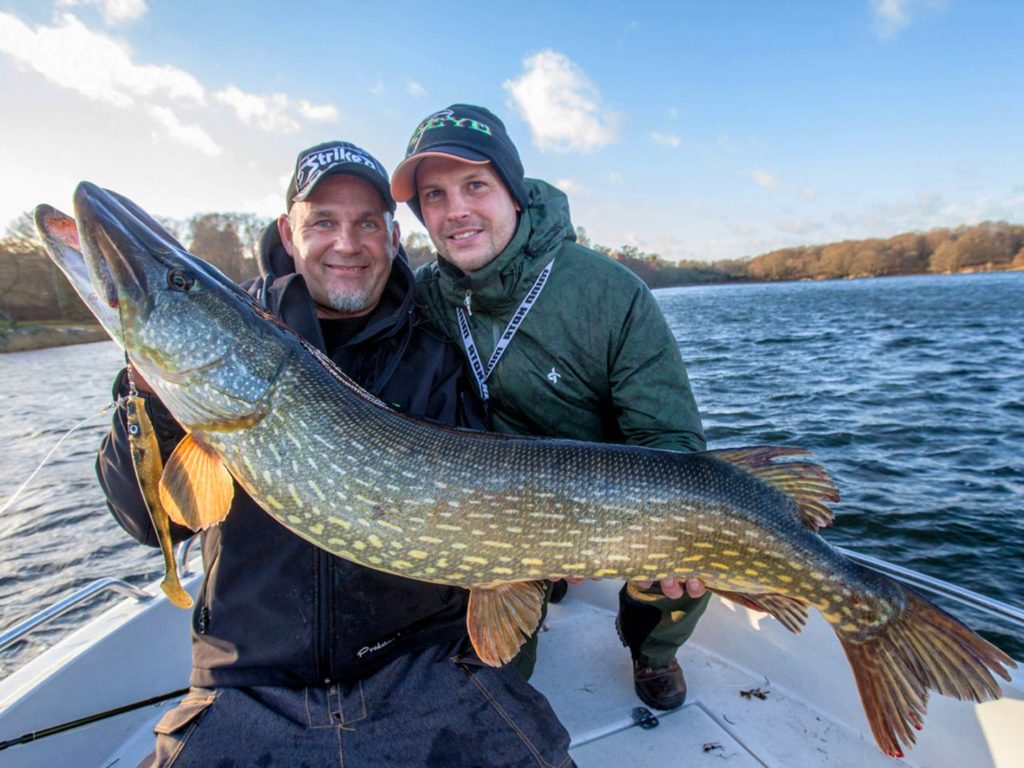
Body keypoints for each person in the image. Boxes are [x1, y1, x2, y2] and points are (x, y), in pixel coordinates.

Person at [96, 140, 576, 767]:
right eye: (323, 221)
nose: (347, 244)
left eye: (367, 224)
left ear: (393, 238)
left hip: (426, 673)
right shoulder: (217, 347)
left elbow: (496, 507)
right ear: (288, 235)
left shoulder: (436, 358)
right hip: (249, 685)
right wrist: (154, 395)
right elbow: (146, 520)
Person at [391, 105, 711, 712]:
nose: (456, 209)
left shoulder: (610, 292)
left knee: (688, 555)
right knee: (496, 685)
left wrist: (624, 536)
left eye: (475, 185)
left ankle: (655, 652)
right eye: (435, 195)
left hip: (608, 507)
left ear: (513, 191)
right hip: (492, 521)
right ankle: (543, 589)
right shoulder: (425, 298)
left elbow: (672, 442)